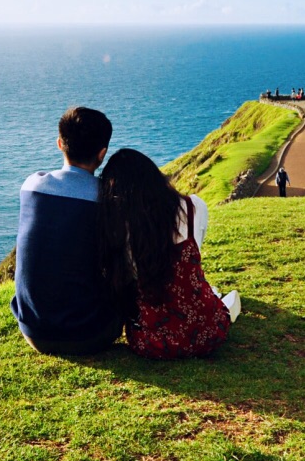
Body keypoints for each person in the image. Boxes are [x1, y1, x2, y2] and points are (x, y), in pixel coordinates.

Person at [97, 149, 237, 360]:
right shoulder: (193, 206)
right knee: (224, 300)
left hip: (154, 341)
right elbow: (196, 250)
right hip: (209, 333)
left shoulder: (120, 226)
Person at [10, 106, 121, 356]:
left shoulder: (32, 185)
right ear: (102, 154)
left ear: (60, 143)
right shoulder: (107, 199)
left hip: (33, 331)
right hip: (89, 335)